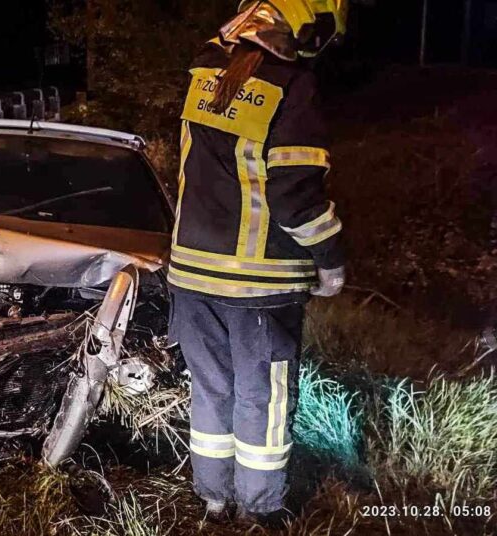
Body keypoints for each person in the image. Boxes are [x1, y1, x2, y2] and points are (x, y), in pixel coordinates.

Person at [168, 0, 348, 526]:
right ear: (306, 27)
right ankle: (260, 509)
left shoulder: (205, 71)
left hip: (190, 274)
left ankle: (213, 500)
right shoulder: (292, 85)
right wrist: (331, 260)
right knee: (262, 399)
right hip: (259, 283)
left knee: (211, 390)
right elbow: (295, 196)